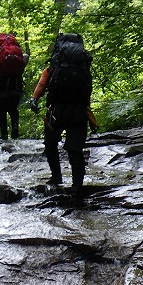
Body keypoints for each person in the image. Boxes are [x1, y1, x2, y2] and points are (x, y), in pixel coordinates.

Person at [29, 32, 98, 191]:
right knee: (76, 150)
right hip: (79, 111)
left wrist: (34, 100)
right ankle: (77, 187)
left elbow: (43, 82)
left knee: (50, 144)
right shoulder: (84, 63)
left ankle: (56, 177)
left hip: (56, 111)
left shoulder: (56, 63)